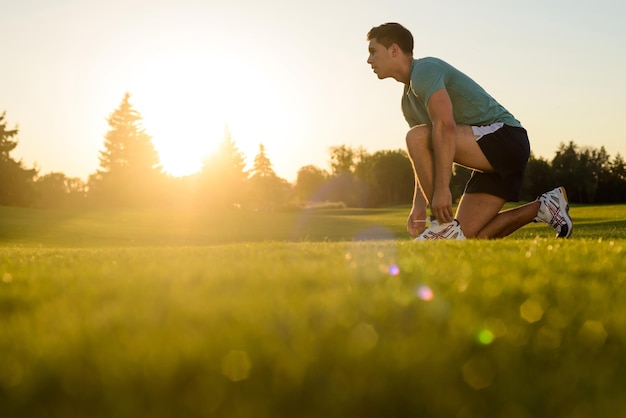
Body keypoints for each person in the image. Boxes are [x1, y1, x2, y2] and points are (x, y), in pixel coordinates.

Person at [366, 22, 573, 240]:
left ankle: (441, 224)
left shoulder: (424, 71)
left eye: (373, 51)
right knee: (464, 237)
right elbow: (424, 158)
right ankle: (546, 207)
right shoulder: (407, 103)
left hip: (506, 138)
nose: (369, 60)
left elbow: (444, 126)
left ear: (394, 50)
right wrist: (418, 206)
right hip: (487, 156)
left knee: (415, 137)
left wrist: (442, 190)